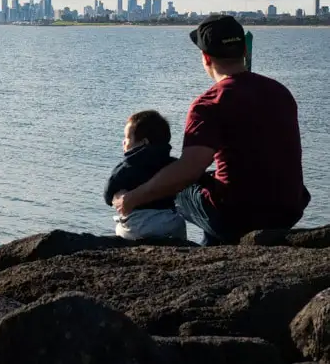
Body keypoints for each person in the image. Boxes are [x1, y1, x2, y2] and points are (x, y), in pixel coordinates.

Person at [113, 15, 310, 246]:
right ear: (245, 51)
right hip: (289, 210)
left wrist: (132, 198)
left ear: (206, 58)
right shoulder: (280, 92)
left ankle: (163, 245)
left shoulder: (209, 104)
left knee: (180, 190)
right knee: (209, 187)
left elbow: (188, 171)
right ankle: (213, 249)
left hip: (239, 218)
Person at [104, 110, 187, 240]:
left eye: (127, 138)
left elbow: (108, 195)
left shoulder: (126, 167)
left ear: (143, 142)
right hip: (169, 223)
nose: (123, 142)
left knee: (120, 228)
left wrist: (114, 197)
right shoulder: (171, 165)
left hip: (136, 225)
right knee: (180, 223)